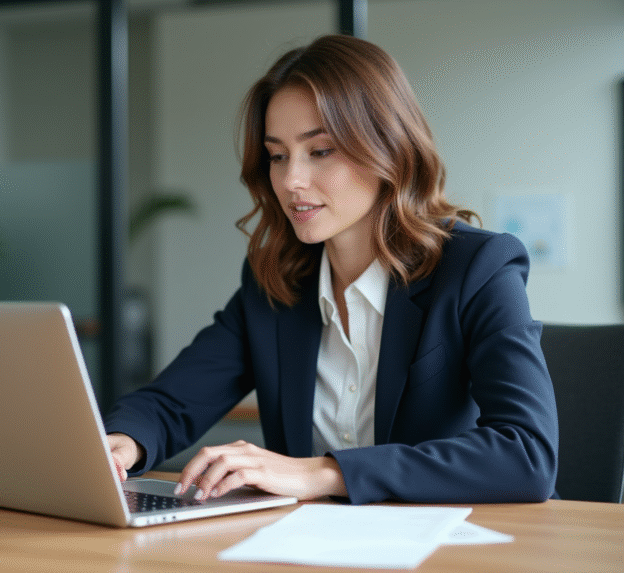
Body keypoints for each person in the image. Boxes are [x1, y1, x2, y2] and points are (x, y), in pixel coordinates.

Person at [104, 34, 558, 505]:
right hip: (315, 547)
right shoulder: (275, 283)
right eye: (277, 156)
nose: (291, 180)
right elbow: (174, 400)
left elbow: (526, 454)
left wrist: (324, 474)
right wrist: (123, 442)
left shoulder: (476, 269)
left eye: (320, 151)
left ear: (387, 147)